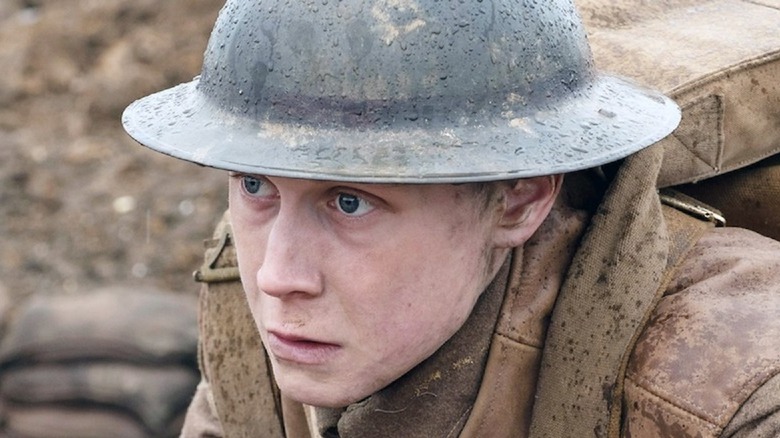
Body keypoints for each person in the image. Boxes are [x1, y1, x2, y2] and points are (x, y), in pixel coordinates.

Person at [122, 0, 780, 436]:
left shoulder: (729, 381)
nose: (277, 276)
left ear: (519, 200)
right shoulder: (254, 314)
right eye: (256, 185)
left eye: (350, 201)